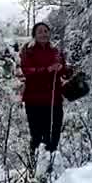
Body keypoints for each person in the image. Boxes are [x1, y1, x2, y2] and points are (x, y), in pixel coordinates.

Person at [19, 22, 72, 155]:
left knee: (54, 134)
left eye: (46, 31)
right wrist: (47, 70)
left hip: (54, 99)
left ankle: (51, 165)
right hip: (34, 100)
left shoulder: (56, 52)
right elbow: (27, 71)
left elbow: (63, 72)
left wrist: (63, 69)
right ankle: (34, 167)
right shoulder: (28, 51)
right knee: (37, 136)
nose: (44, 34)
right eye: (40, 32)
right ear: (34, 35)